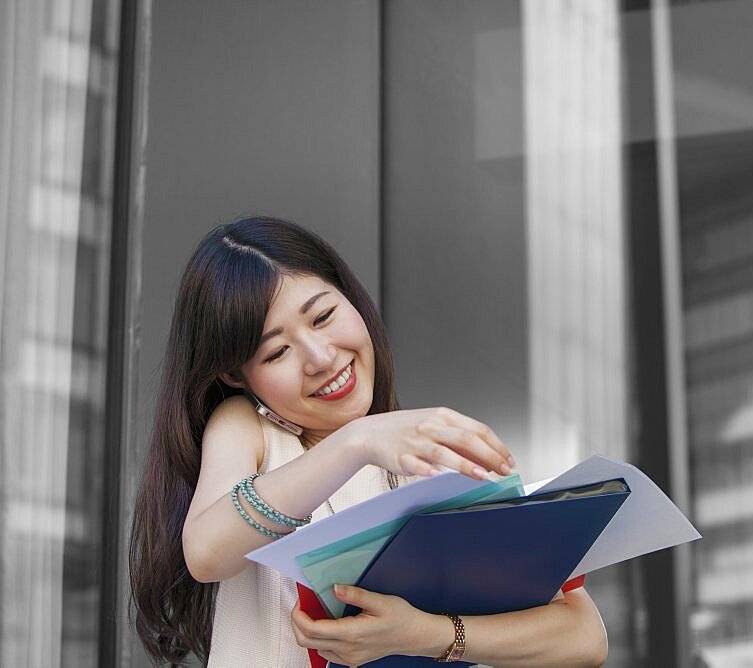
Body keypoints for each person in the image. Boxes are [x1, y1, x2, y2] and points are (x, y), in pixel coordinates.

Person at [129, 217, 609, 667]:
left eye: (322, 317)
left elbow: (585, 637)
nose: (319, 357)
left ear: (350, 297)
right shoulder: (249, 429)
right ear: (235, 375)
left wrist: (431, 634)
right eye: (277, 351)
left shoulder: (432, 457)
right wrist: (355, 441)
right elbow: (207, 553)